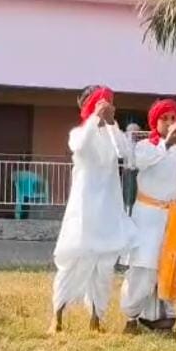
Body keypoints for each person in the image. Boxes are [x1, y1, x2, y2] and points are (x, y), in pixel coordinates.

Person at [49, 85, 136, 334]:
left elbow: (125, 154)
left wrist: (112, 124)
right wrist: (95, 119)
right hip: (84, 211)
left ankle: (96, 318)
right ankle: (57, 317)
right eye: (100, 102)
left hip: (107, 209)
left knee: (104, 266)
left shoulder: (112, 134)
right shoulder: (79, 133)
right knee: (73, 261)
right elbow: (79, 146)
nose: (105, 106)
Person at [120, 99, 176, 333]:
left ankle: (161, 317)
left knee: (170, 265)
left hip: (172, 217)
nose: (169, 123)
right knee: (143, 269)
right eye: (164, 118)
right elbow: (142, 162)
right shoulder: (146, 146)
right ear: (154, 122)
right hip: (147, 216)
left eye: (173, 118)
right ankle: (131, 317)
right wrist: (166, 144)